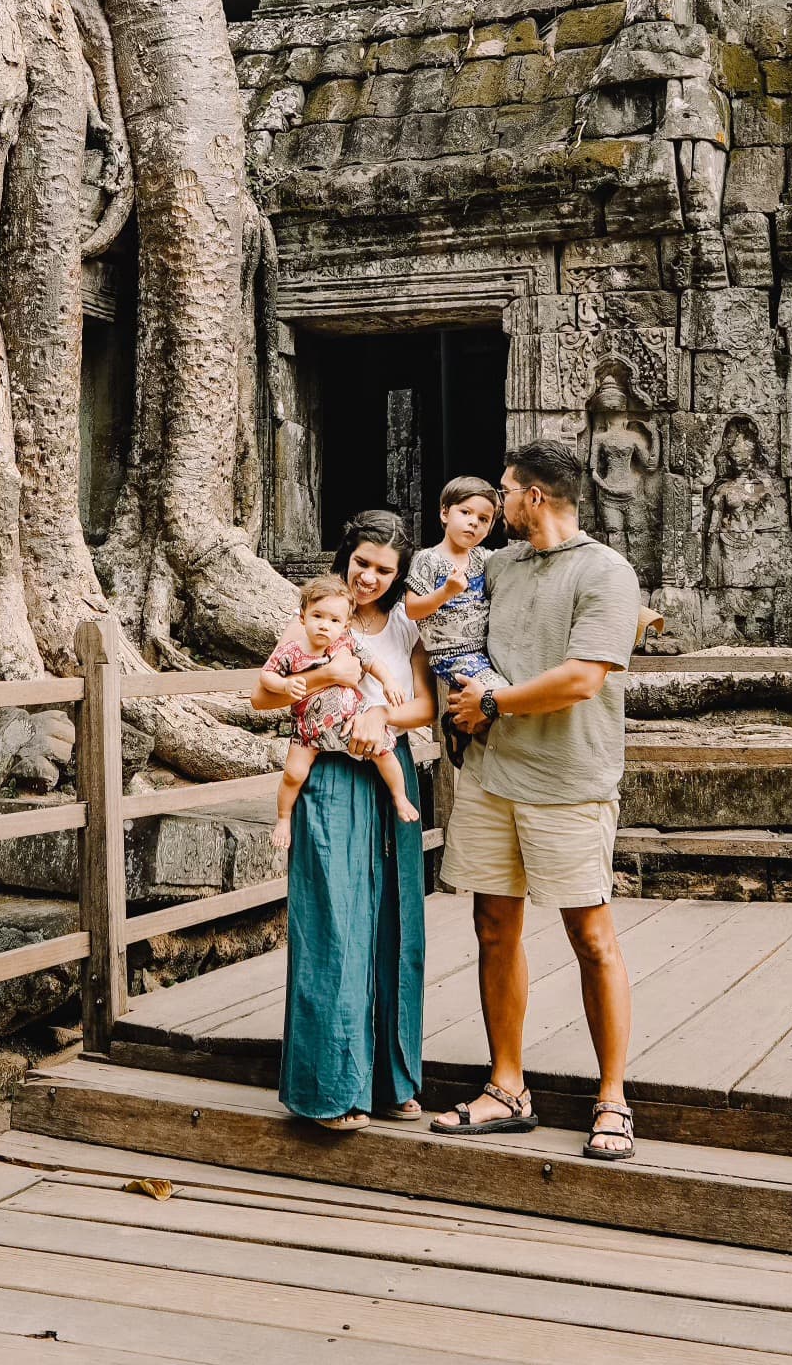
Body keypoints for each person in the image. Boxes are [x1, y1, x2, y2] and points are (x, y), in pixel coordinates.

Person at [431, 439, 644, 1163]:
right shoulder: (500, 565)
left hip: (569, 780)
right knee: (494, 923)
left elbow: (584, 678)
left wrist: (491, 701)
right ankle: (507, 1084)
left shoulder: (607, 572)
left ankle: (612, 1095)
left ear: (535, 498)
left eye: (505, 489)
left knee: (591, 936)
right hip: (494, 776)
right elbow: (454, 635)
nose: (496, 501)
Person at [251, 509, 433, 1133]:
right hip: (328, 772)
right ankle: (331, 1085)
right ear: (345, 558)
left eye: (385, 569)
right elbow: (262, 695)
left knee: (396, 921)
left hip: (387, 766)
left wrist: (383, 718)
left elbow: (425, 703)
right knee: (333, 919)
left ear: (400, 573)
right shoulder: (317, 618)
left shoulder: (409, 622)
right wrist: (327, 674)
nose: (370, 578)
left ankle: (392, 1079)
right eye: (361, 563)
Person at [266, 572, 424, 852]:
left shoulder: (347, 642)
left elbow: (373, 662)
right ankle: (283, 818)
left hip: (352, 722)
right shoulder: (292, 651)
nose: (325, 626)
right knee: (293, 773)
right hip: (309, 730)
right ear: (302, 616)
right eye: (318, 616)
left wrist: (388, 683)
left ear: (345, 624)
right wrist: (283, 684)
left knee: (384, 753)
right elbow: (266, 678)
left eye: (335, 620)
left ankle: (400, 796)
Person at [403, 476, 501, 761]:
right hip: (450, 654)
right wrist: (446, 591)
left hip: (484, 650)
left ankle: (461, 725)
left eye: (484, 519)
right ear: (445, 513)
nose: (474, 522)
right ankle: (456, 725)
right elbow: (413, 609)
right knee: (499, 694)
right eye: (466, 512)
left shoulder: (483, 558)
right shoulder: (428, 560)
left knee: (494, 700)